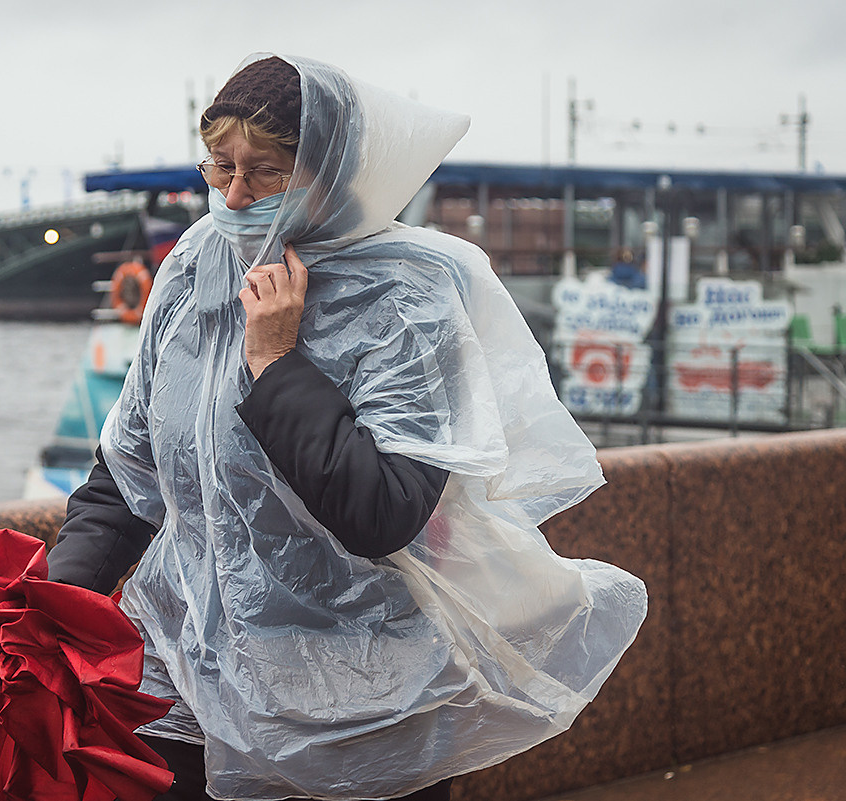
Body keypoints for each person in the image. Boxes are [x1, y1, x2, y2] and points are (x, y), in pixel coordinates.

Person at [46, 54, 647, 801]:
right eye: (219, 167)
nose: (234, 195)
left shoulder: (410, 292)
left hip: (362, 695)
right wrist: (52, 608)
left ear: (331, 174)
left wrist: (275, 362)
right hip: (185, 679)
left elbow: (383, 508)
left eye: (265, 172)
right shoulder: (193, 267)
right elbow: (127, 478)